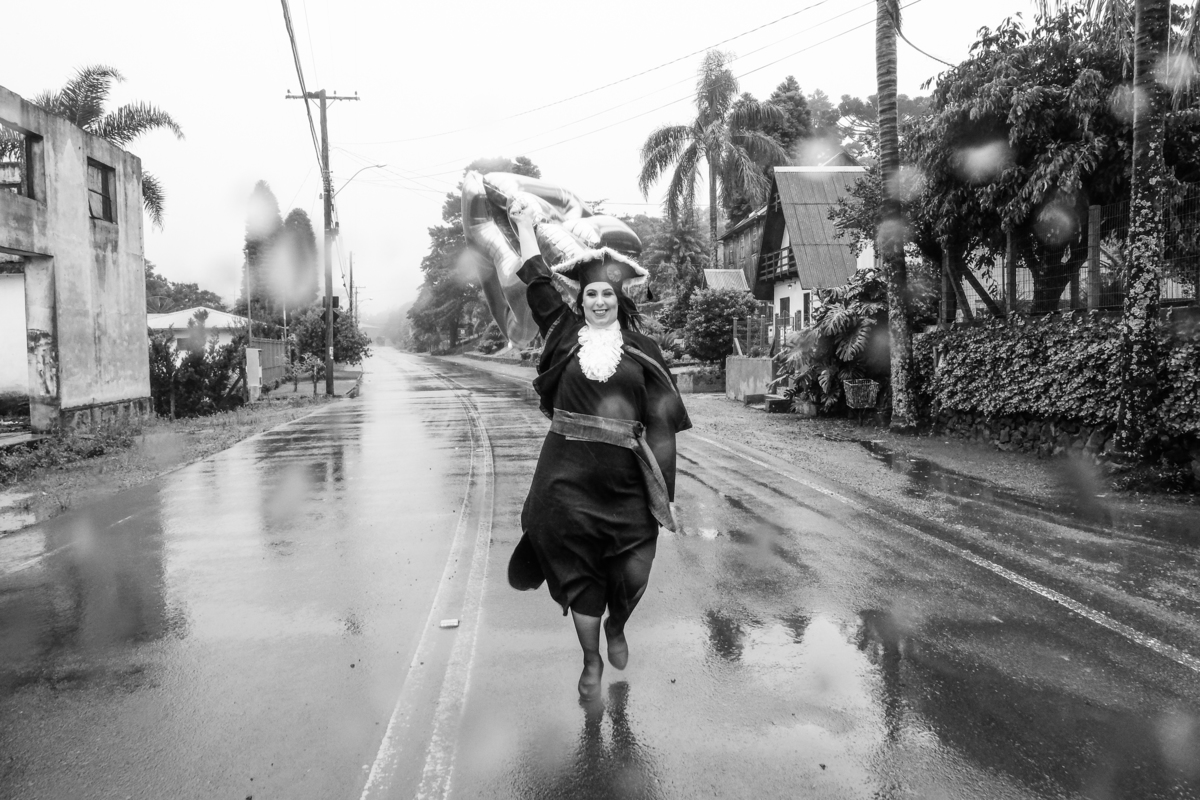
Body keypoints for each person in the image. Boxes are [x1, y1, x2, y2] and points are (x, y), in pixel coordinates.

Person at [505, 201, 691, 701]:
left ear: (619, 297)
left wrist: (664, 493)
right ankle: (590, 660)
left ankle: (618, 625)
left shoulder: (644, 349)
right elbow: (537, 280)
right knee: (580, 571)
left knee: (634, 570)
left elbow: (662, 426)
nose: (600, 301)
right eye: (591, 294)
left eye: (608, 293)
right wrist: (524, 227)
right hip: (565, 481)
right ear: (581, 299)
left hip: (626, 484)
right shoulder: (565, 333)